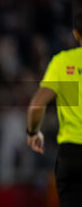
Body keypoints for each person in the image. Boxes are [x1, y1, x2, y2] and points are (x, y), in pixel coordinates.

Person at [27, 11, 82, 207]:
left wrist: (33, 132)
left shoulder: (62, 62)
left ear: (75, 34)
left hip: (71, 154)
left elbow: (37, 104)